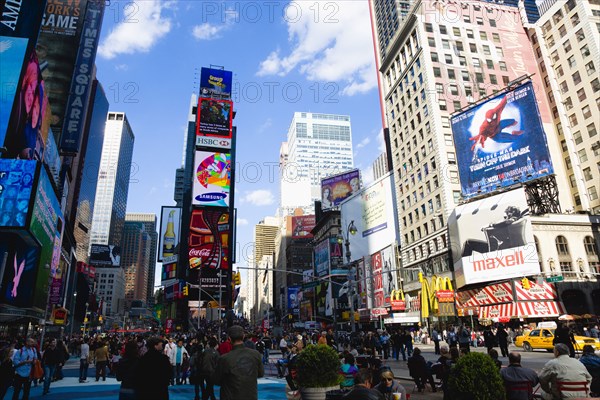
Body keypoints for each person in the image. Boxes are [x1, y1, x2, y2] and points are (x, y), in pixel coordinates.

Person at [212, 325, 264, 400]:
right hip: (250, 396)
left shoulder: (224, 359)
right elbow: (260, 373)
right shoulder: (255, 354)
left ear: (229, 339)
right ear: (243, 337)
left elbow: (216, 380)